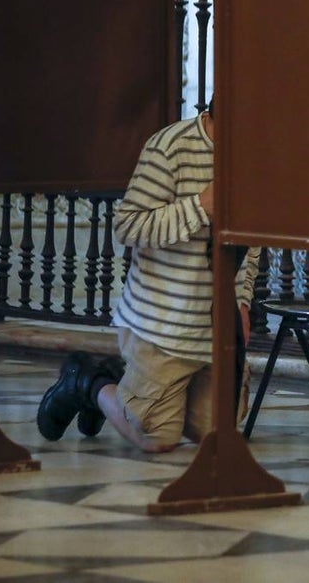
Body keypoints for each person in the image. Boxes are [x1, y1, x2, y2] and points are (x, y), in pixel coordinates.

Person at [36, 101, 259, 452]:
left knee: (216, 431)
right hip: (161, 326)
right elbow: (128, 226)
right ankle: (88, 381)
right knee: (158, 437)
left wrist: (242, 302)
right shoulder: (169, 147)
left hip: (215, 329)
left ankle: (133, 386)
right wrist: (199, 206)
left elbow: (252, 237)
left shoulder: (256, 153)